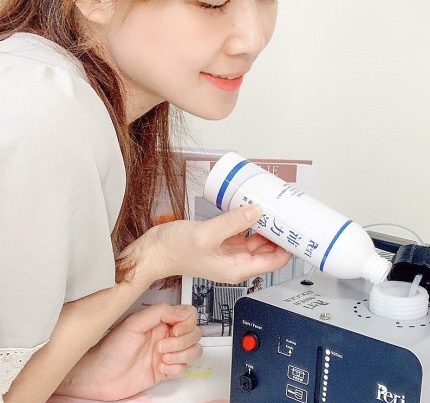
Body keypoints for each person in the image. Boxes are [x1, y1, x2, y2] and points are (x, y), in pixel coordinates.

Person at [0, 1, 291, 402]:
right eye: (212, 2)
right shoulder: (45, 107)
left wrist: (76, 372)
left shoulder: (55, 89)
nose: (253, 39)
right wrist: (152, 259)